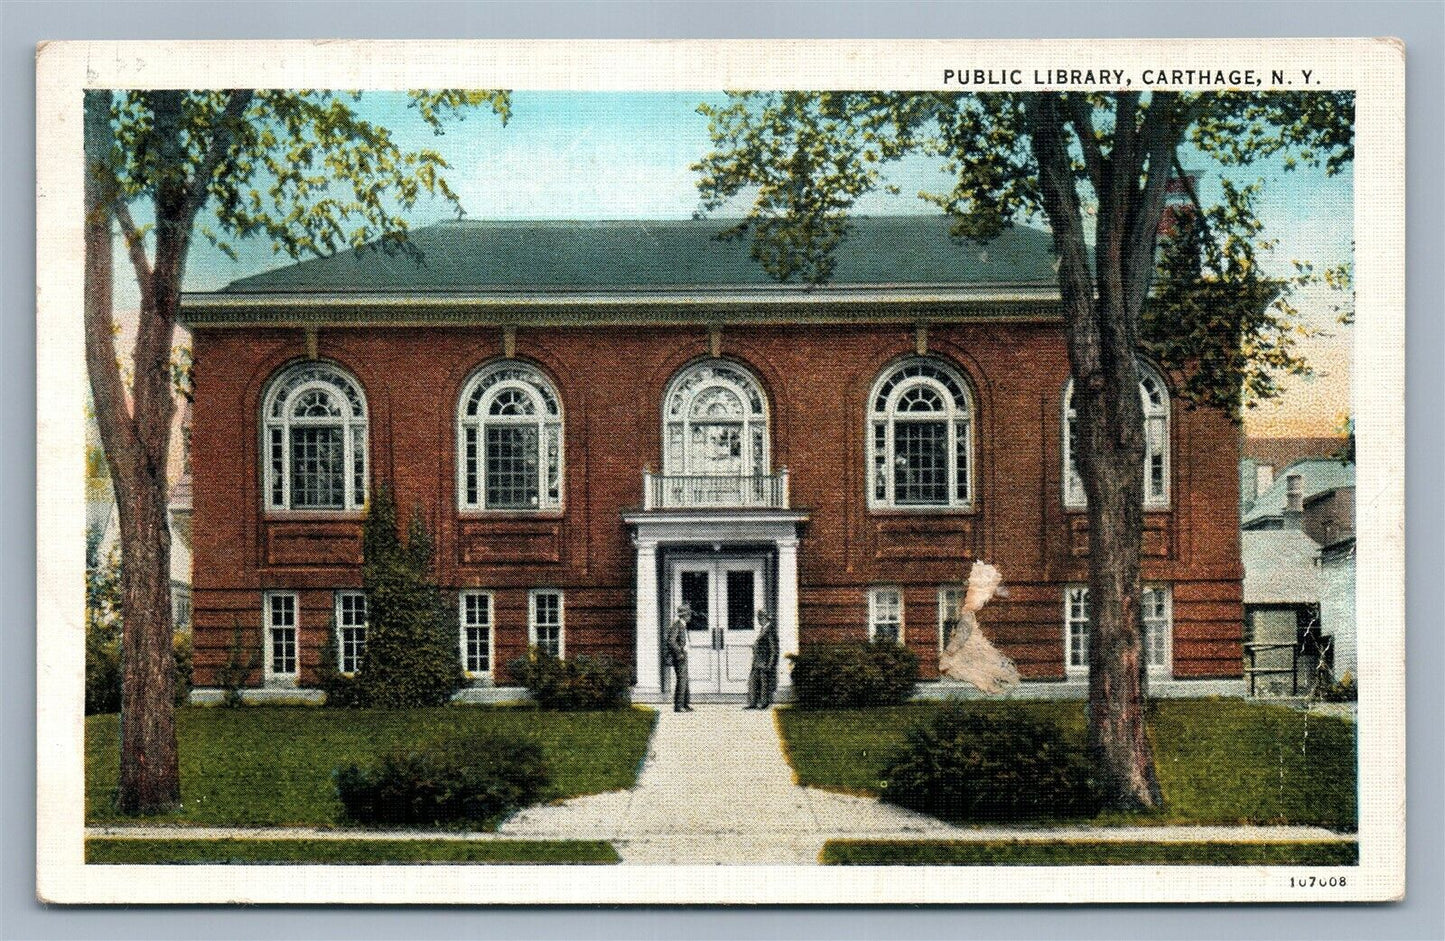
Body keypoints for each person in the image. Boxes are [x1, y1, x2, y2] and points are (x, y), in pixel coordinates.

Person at [746, 610, 779, 709]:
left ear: (764, 618)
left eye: (760, 617)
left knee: (764, 684)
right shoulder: (763, 629)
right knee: (753, 682)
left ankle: (764, 703)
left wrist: (770, 664)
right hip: (757, 662)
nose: (758, 620)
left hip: (764, 663)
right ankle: (752, 703)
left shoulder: (770, 630)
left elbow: (774, 650)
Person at [665, 603, 693, 712]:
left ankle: (685, 704)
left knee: (685, 680)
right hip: (680, 656)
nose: (690, 616)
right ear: (684, 615)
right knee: (681, 680)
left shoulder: (683, 625)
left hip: (683, 655)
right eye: (688, 614)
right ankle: (679, 705)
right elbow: (671, 641)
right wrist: (679, 653)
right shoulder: (677, 626)